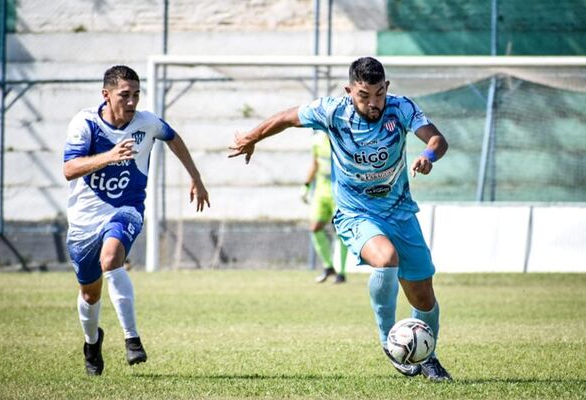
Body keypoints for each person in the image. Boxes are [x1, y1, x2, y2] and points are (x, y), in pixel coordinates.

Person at [229, 57, 451, 381]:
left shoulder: (401, 109)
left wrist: (428, 156)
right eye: (364, 95)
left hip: (400, 212)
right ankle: (389, 342)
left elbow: (437, 140)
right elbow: (288, 117)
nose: (373, 103)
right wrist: (251, 137)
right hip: (355, 213)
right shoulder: (333, 111)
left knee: (424, 297)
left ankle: (426, 356)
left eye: (379, 94)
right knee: (385, 258)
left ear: (387, 88)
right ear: (349, 91)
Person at [63, 65, 210, 376]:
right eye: (124, 96)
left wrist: (195, 177)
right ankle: (91, 343)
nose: (131, 102)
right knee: (90, 293)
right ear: (106, 95)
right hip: (84, 220)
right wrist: (108, 156)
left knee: (111, 257)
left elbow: (173, 138)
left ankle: (132, 339)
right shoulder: (85, 123)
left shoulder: (146, 122)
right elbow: (69, 169)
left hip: (126, 208)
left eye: (136, 95)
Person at [300, 131, 348, 283]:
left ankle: (341, 272)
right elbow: (315, 164)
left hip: (339, 190)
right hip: (321, 190)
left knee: (340, 230)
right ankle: (328, 266)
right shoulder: (317, 141)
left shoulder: (344, 139)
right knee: (315, 227)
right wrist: (306, 186)